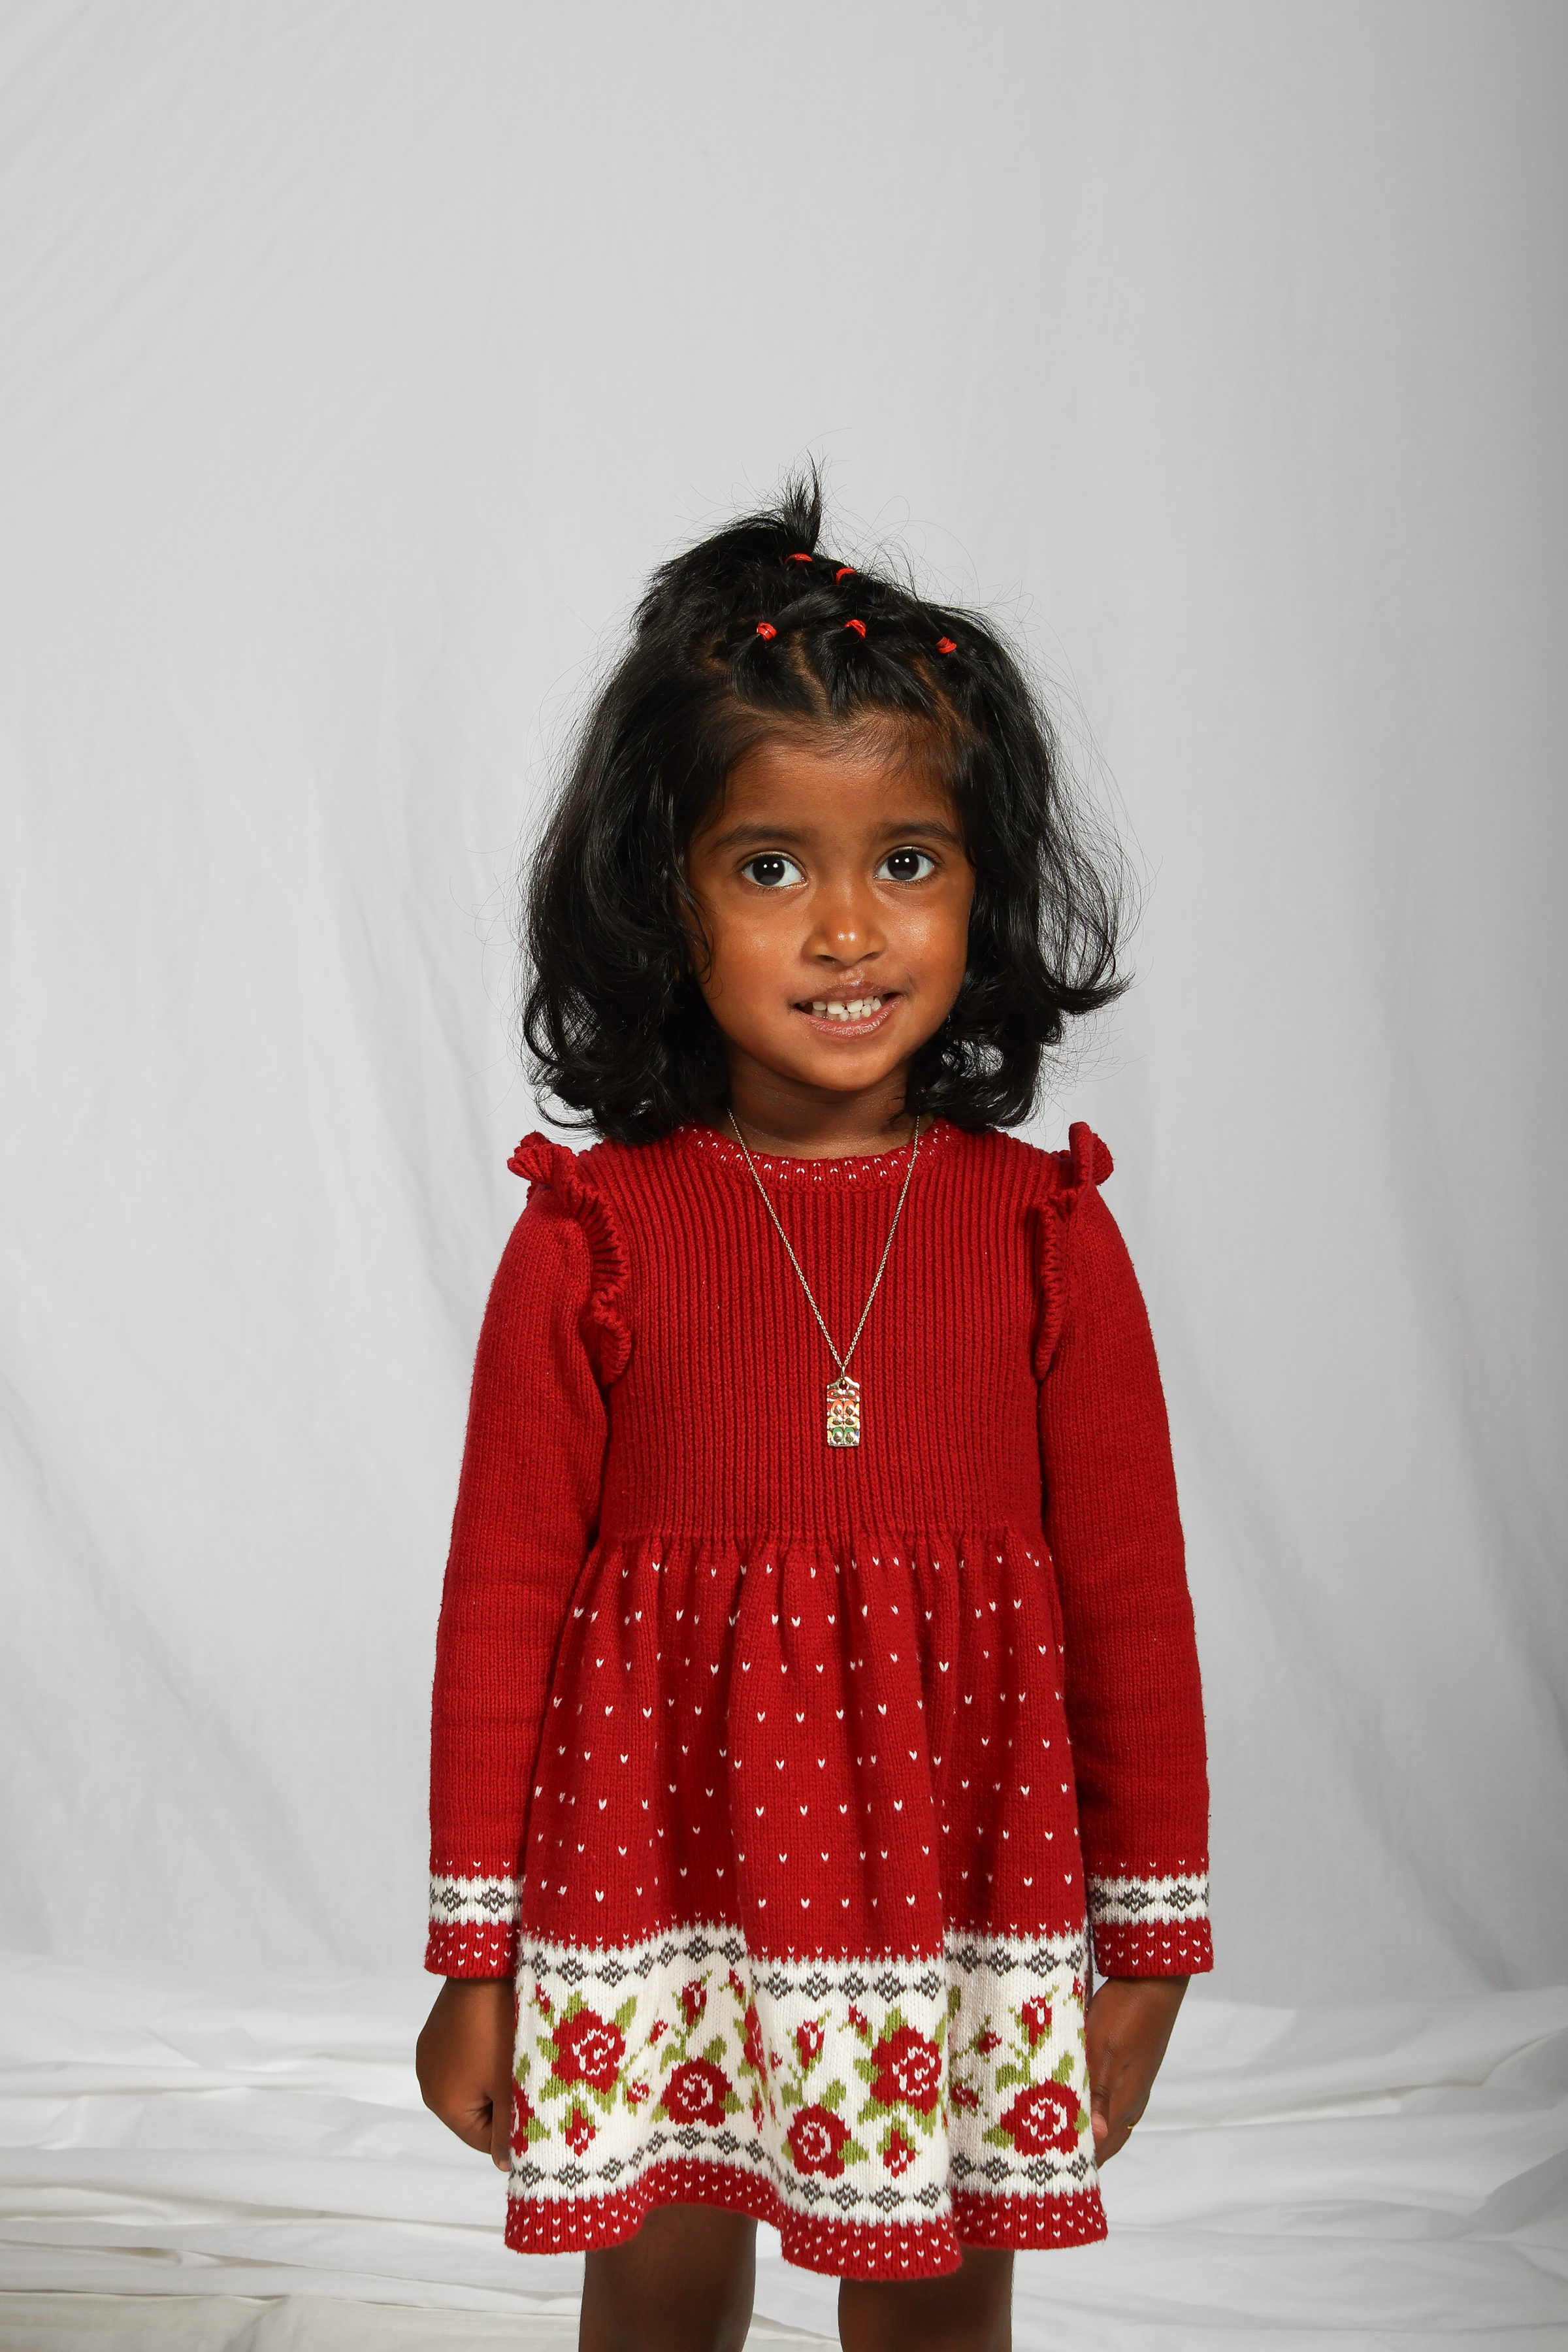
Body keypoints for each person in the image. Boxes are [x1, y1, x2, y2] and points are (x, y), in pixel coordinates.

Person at [415, 470, 1211, 2352]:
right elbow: (500, 1612)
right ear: (663, 898)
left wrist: (1153, 1955)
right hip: (654, 1883)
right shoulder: (591, 1237)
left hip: (953, 1899)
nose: (849, 928)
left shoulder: (1047, 1236)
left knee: (932, 2299)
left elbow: (1132, 1612)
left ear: (982, 890)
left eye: (907, 862)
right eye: (772, 867)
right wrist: (475, 1961)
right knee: (661, 2276)